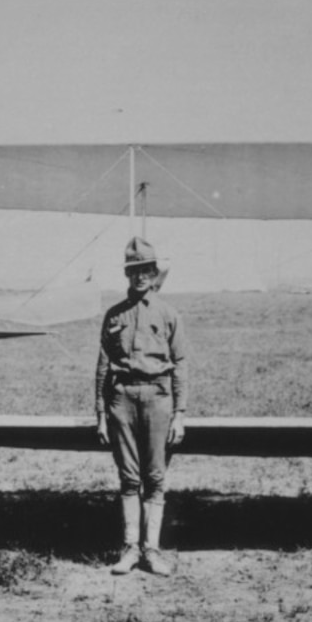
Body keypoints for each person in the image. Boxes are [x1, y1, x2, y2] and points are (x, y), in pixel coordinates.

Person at [94, 237, 188, 576]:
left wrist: (180, 414)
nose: (140, 276)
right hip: (122, 401)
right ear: (127, 274)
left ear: (154, 272)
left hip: (158, 400)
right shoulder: (115, 314)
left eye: (145, 270)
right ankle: (131, 548)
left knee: (156, 477)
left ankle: (152, 550)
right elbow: (103, 366)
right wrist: (102, 415)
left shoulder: (168, 314)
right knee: (129, 478)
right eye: (133, 271)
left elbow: (180, 364)